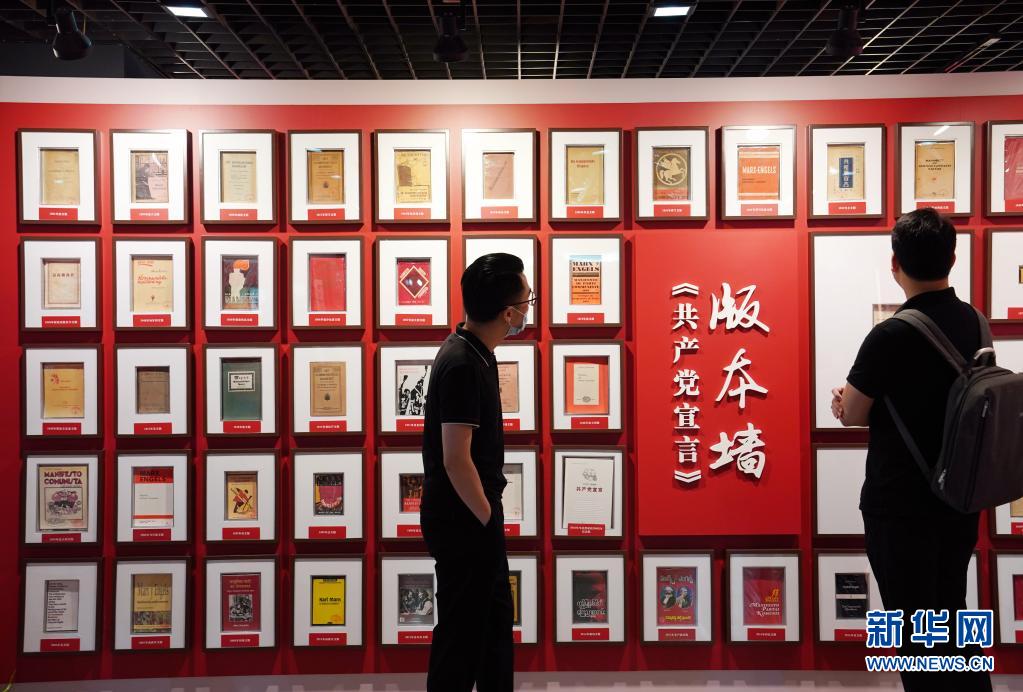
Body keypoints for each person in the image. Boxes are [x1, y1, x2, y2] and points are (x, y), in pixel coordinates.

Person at [832, 208, 992, 692]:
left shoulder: (890, 335)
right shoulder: (975, 323)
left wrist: (843, 401)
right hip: (959, 500)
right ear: (953, 258)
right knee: (951, 617)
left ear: (895, 263)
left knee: (913, 633)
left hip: (901, 505)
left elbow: (854, 412)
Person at [420, 252, 532, 692]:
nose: (528, 311)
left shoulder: (476, 353)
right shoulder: (463, 363)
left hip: (472, 515)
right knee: (462, 638)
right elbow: (455, 458)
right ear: (508, 313)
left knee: (492, 628)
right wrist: (486, 518)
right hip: (464, 519)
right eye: (527, 301)